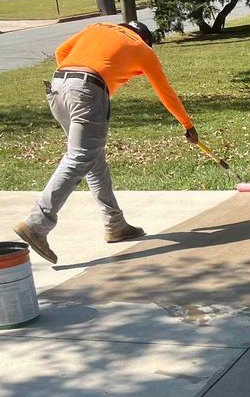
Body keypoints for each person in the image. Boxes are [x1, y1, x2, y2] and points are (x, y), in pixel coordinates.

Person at [14, 20, 198, 264]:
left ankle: (115, 223)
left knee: (93, 160)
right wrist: (187, 125)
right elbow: (165, 91)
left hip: (58, 87)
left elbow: (61, 52)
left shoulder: (99, 28)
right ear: (144, 38)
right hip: (87, 89)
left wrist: (72, 86)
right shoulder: (143, 49)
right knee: (80, 157)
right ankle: (37, 223)